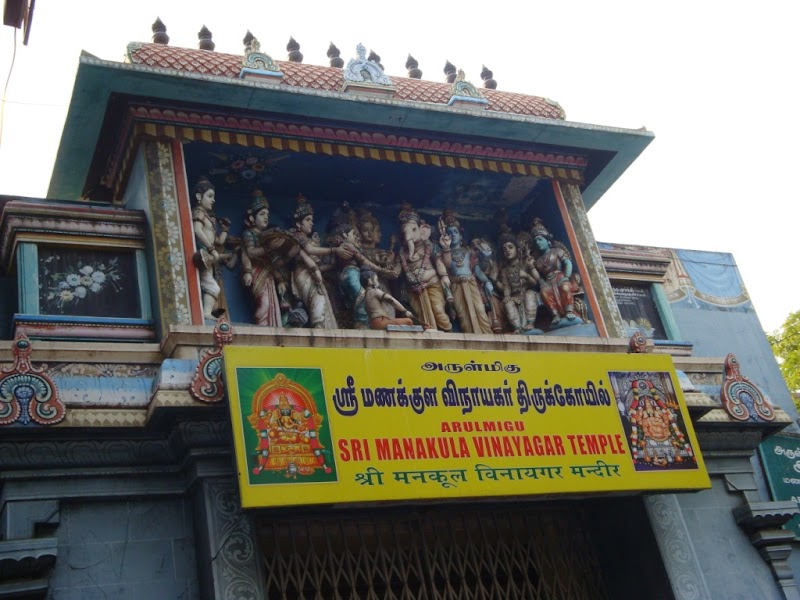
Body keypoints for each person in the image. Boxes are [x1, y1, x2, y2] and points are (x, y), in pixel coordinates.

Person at [287, 195, 353, 329]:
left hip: (309, 272)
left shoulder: (304, 238)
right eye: (308, 220)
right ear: (299, 224)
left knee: (320, 300)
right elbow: (310, 250)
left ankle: (320, 328)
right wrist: (334, 250)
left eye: (312, 219)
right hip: (303, 273)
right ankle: (319, 329)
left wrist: (332, 265)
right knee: (318, 300)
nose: (311, 223)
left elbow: (317, 265)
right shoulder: (298, 236)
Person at [388, 204, 452, 331]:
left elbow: (441, 263)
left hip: (433, 284)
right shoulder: (402, 253)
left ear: (423, 230)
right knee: (419, 318)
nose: (409, 235)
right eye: (405, 232)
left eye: (413, 230)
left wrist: (444, 276)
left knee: (439, 313)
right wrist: (387, 266)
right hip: (413, 290)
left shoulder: (430, 246)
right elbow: (396, 272)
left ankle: (448, 331)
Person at [438, 210, 493, 334]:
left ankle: (487, 336)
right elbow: (447, 266)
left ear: (461, 236)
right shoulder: (444, 253)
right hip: (456, 286)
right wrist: (446, 248)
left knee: (480, 310)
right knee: (462, 314)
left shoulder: (468, 251)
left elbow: (477, 270)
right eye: (450, 233)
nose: (453, 235)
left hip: (472, 284)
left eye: (456, 232)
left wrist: (487, 281)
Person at [240, 190, 287, 327]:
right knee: (264, 303)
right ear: (251, 218)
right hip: (256, 270)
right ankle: (262, 328)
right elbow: (250, 253)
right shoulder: (248, 234)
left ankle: (270, 328)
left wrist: (280, 280)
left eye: (267, 214)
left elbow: (272, 263)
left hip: (268, 273)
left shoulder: (268, 237)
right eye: (261, 214)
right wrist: (269, 248)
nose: (266, 217)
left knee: (273, 304)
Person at [192, 177, 233, 320]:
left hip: (208, 258)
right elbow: (197, 230)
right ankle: (206, 313)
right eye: (209, 196)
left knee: (211, 285)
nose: (213, 200)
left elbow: (219, 241)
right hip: (203, 253)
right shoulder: (199, 212)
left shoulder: (207, 218)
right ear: (199, 196)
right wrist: (211, 249)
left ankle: (208, 312)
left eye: (213, 197)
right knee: (214, 288)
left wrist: (225, 230)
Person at [530, 218, 582, 327]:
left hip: (560, 276)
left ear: (548, 241)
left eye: (540, 239)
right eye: (535, 242)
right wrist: (532, 268)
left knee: (564, 287)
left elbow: (567, 263)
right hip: (548, 281)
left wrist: (567, 276)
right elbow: (538, 276)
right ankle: (555, 315)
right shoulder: (538, 260)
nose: (537, 243)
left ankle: (569, 312)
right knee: (544, 292)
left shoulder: (557, 251)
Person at [498, 233, 541, 334]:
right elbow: (506, 286)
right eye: (505, 249)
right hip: (514, 296)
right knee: (507, 303)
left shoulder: (525, 263)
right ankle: (517, 328)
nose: (507, 250)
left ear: (518, 249)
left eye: (510, 247)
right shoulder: (505, 271)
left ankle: (530, 323)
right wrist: (507, 296)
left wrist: (526, 276)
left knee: (529, 295)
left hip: (527, 292)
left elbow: (535, 282)